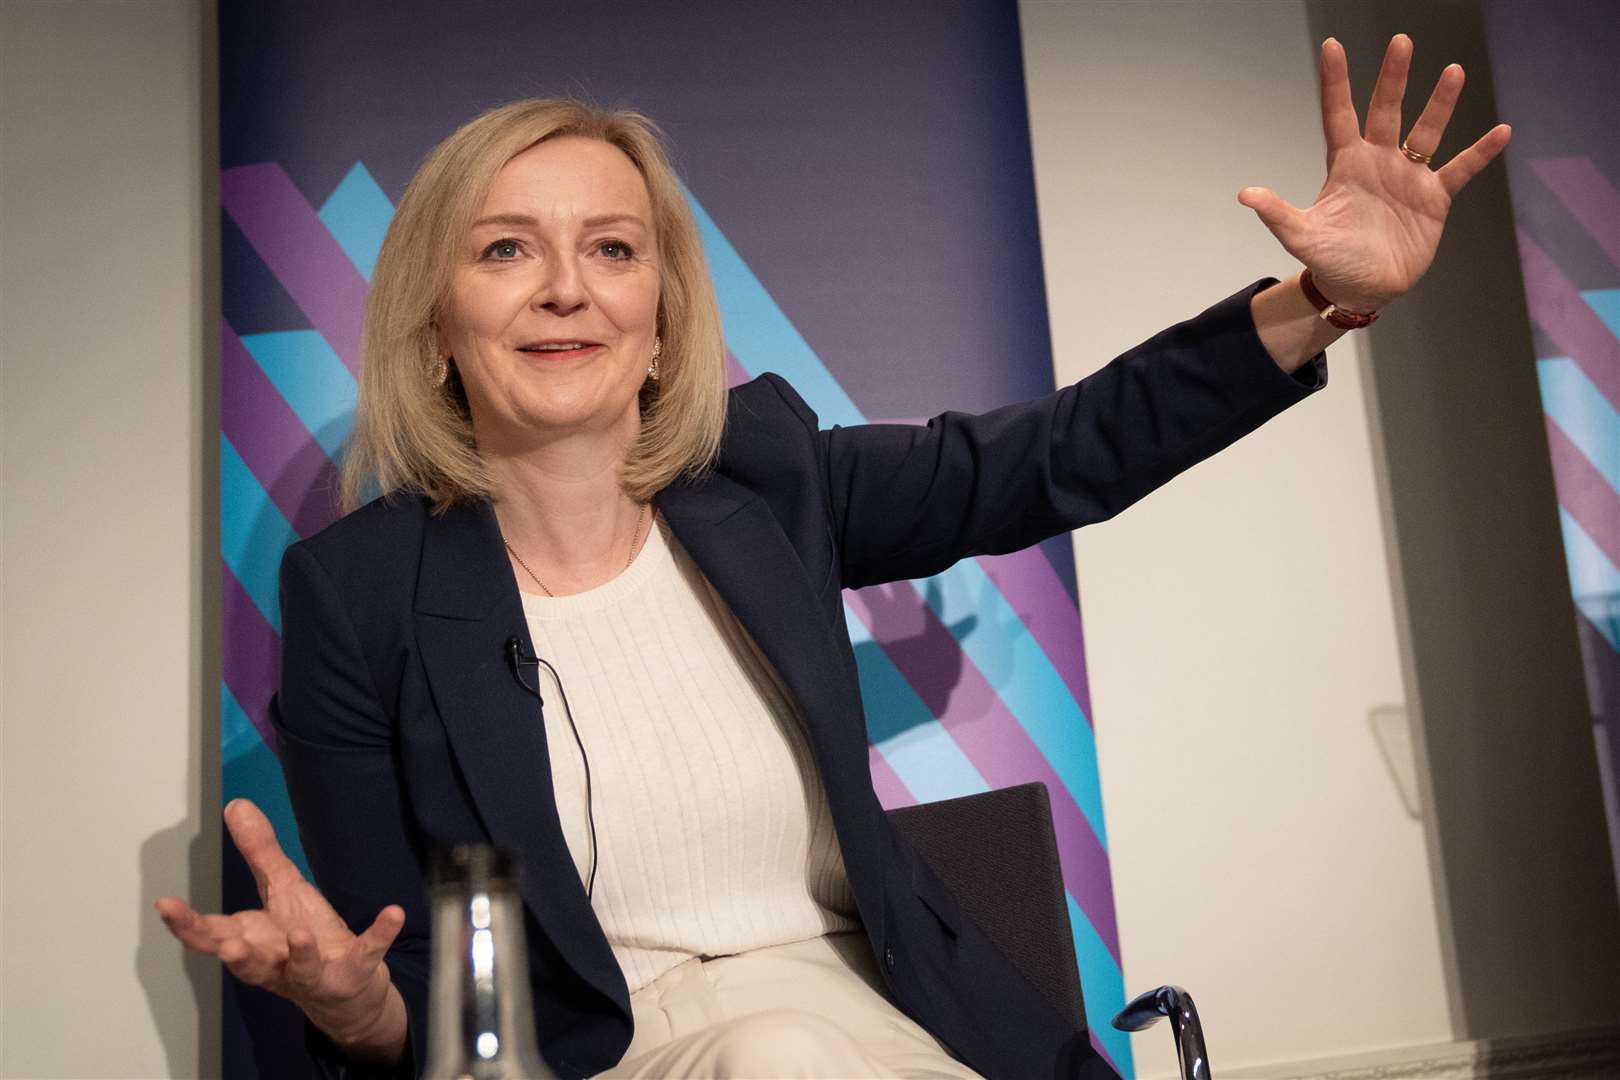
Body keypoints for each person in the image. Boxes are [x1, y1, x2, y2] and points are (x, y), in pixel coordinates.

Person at [159, 34, 1509, 1080]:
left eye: (612, 249)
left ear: (661, 315)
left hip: (866, 1019)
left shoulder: (766, 477)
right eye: (508, 250)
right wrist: (363, 1012)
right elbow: (439, 1000)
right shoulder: (358, 595)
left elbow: (1050, 456)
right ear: (437, 323)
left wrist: (1319, 301)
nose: (567, 287)